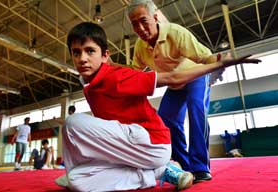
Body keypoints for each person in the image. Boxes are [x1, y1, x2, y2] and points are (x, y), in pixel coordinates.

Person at [55, 21, 260, 191]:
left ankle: (187, 164)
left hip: (151, 142)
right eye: (76, 52)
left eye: (90, 51)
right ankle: (157, 173)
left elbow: (172, 76)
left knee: (72, 123)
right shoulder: (90, 86)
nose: (82, 58)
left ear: (105, 55)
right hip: (134, 149)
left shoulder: (117, 76)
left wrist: (220, 64)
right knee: (77, 181)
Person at [127, 0, 222, 182]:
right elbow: (135, 72)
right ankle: (183, 165)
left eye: (143, 21)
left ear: (155, 18)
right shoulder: (140, 46)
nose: (140, 28)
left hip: (195, 75)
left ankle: (200, 166)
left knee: (196, 108)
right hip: (175, 84)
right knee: (166, 119)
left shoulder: (176, 33)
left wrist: (218, 66)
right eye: (134, 24)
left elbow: (205, 57)